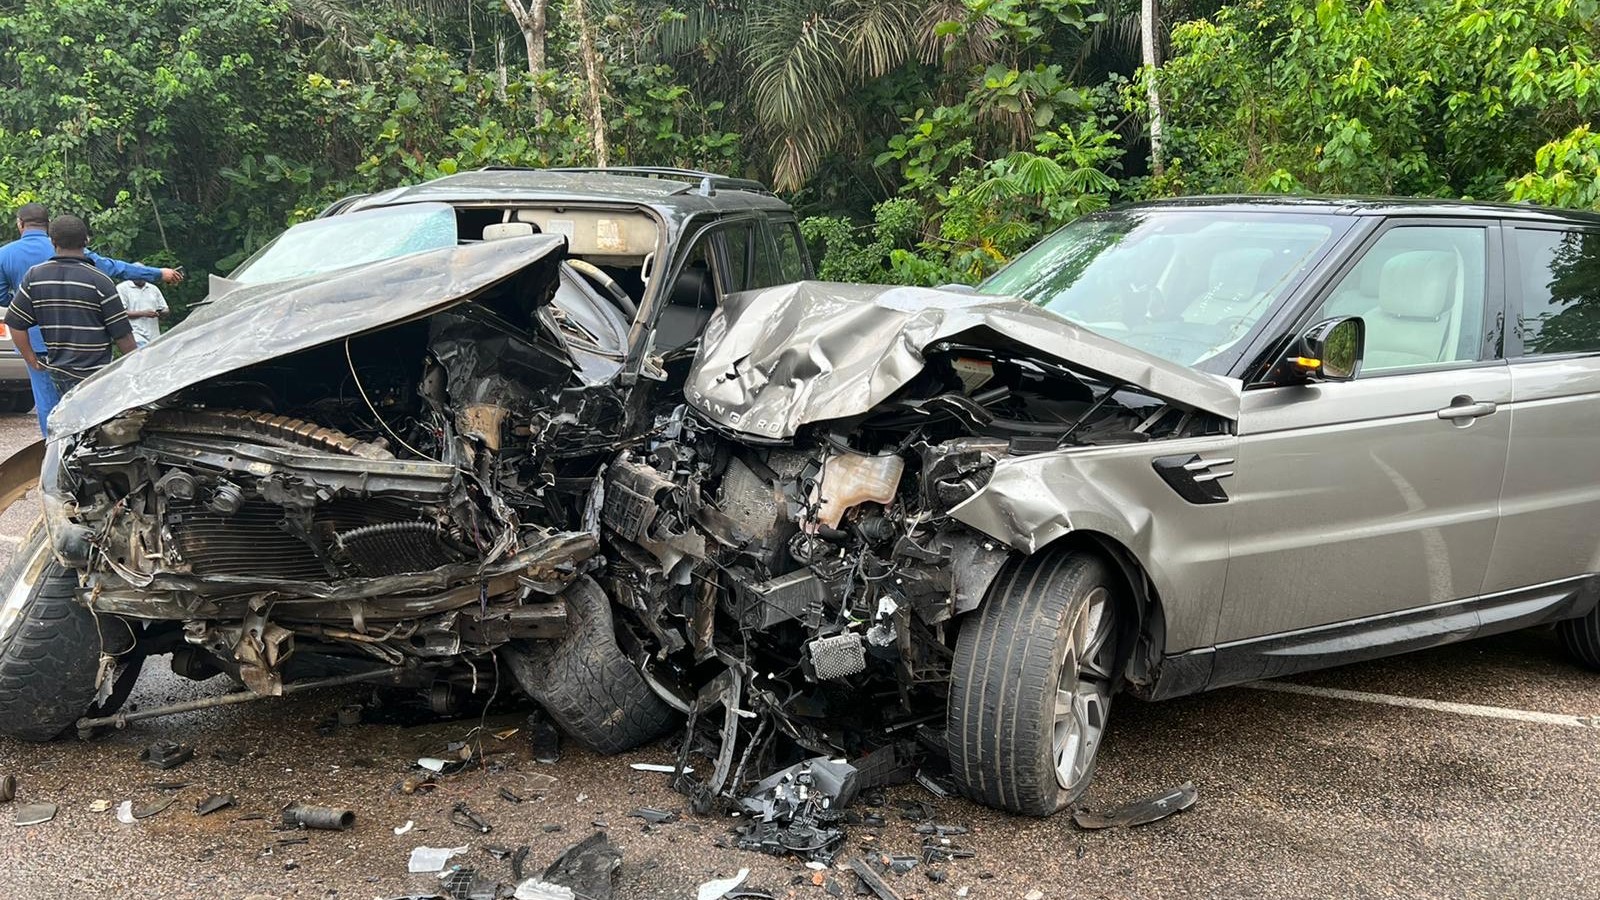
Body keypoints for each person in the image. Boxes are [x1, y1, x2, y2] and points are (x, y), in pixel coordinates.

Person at [0, 201, 182, 434]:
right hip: (87, 349)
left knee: (47, 404)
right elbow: (116, 270)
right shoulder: (95, 273)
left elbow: (9, 307)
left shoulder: (11, 259)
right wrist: (158, 273)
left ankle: (53, 453)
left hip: (36, 343)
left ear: (20, 224)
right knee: (89, 403)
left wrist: (37, 307)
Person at [5, 215, 138, 399]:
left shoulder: (35, 276)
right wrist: (136, 366)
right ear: (86, 240)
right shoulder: (100, 280)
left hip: (59, 372)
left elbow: (15, 322)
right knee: (94, 421)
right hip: (95, 374)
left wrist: (31, 359)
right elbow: (122, 335)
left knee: (62, 418)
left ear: (52, 241)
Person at [117, 276, 168, 346]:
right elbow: (120, 313)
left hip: (154, 335)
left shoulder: (153, 288)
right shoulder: (122, 288)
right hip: (135, 334)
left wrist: (160, 313)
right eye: (138, 274)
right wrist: (143, 313)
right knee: (142, 354)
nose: (141, 277)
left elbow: (165, 308)